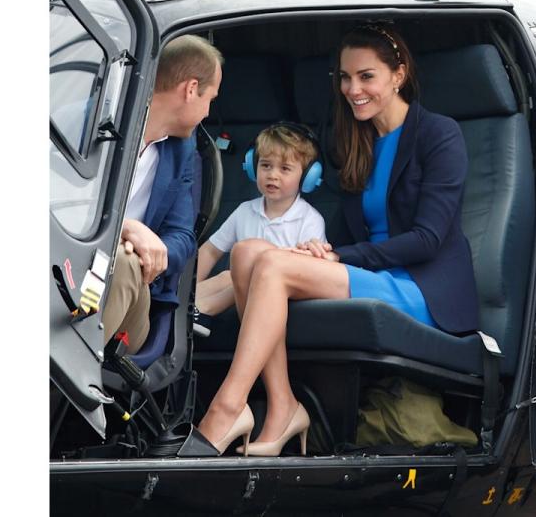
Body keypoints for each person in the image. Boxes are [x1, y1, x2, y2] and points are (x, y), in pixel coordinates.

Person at [178, 23, 479, 457]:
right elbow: (347, 230)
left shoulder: (439, 134)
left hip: (420, 287)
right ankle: (282, 407)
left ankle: (226, 408)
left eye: (366, 76)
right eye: (344, 77)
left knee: (272, 264)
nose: (352, 88)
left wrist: (339, 255)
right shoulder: (357, 141)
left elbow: (427, 239)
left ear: (398, 74)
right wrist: (321, 249)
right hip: (367, 272)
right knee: (247, 252)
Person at [101, 34, 223, 354]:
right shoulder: (95, 122)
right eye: (210, 98)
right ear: (191, 89)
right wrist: (126, 228)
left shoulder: (182, 151)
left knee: (125, 262)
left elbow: (183, 236)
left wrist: (152, 251)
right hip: (68, 266)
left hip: (133, 292)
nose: (208, 112)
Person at [194, 123, 327, 325]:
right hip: (243, 294)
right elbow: (211, 251)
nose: (272, 175)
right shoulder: (244, 211)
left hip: (283, 297)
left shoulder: (310, 220)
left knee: (239, 275)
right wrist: (190, 285)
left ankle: (202, 310)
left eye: (285, 168)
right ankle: (181, 306)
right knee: (226, 276)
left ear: (308, 177)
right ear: (252, 167)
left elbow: (313, 273)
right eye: (265, 165)